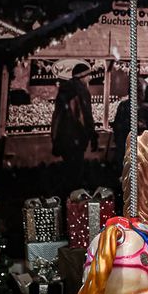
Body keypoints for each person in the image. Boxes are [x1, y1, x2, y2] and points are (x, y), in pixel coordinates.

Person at [51, 61, 98, 194]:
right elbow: (85, 116)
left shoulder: (64, 90)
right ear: (82, 76)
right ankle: (74, 203)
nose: (89, 78)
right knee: (76, 171)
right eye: (88, 76)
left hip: (63, 137)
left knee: (68, 169)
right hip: (76, 138)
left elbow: (57, 116)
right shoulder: (82, 91)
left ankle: (65, 198)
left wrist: (54, 138)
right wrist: (92, 135)